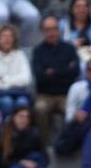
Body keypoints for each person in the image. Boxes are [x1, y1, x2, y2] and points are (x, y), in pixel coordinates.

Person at [32, 16, 80, 144]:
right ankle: (45, 147)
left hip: (66, 94)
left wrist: (52, 71)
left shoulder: (69, 49)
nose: (51, 32)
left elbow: (74, 73)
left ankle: (67, 145)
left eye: (54, 29)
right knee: (39, 109)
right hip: (44, 95)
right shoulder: (38, 51)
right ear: (42, 31)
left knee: (71, 111)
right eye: (47, 29)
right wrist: (64, 69)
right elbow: (40, 77)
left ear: (59, 30)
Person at [59, 0, 91, 69]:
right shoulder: (63, 25)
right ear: (72, 9)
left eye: (85, 6)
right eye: (78, 6)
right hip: (69, 63)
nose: (82, 10)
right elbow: (56, 45)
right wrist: (70, 46)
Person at [0, 25, 31, 119]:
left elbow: (26, 79)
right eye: (3, 36)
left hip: (18, 93)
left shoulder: (20, 55)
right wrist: (14, 80)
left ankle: (20, 133)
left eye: (10, 36)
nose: (7, 39)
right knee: (6, 102)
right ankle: (4, 132)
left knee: (22, 102)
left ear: (14, 39)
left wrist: (4, 79)